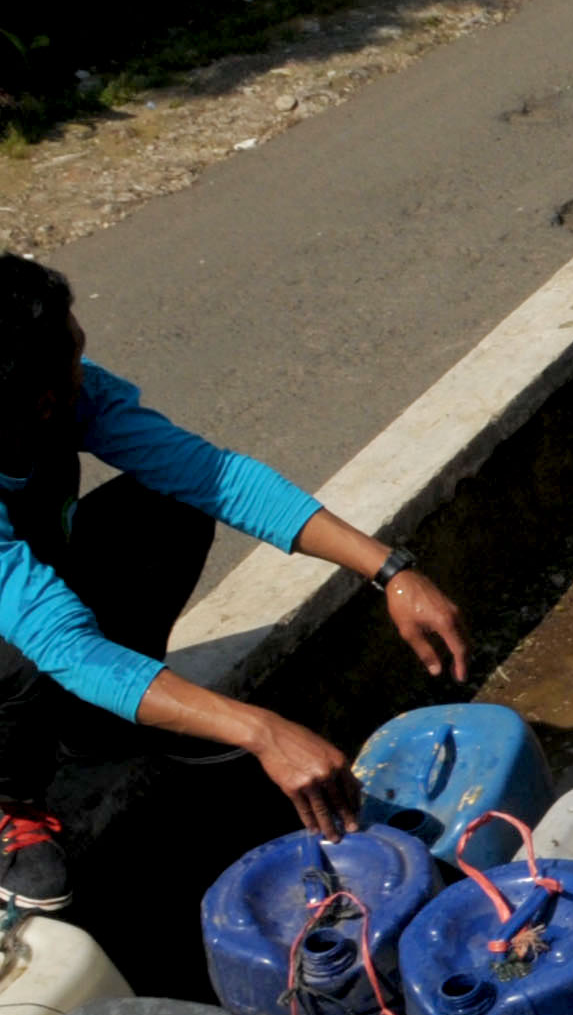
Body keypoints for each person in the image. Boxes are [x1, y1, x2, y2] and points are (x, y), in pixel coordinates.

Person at [0, 257, 472, 909]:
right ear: (42, 399)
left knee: (169, 511)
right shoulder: (54, 395)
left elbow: (216, 478)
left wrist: (390, 569)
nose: (89, 360)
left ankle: (97, 724)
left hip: (30, 593)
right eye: (76, 352)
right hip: (16, 646)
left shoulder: (68, 397)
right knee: (21, 657)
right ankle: (13, 805)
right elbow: (64, 644)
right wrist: (262, 730)